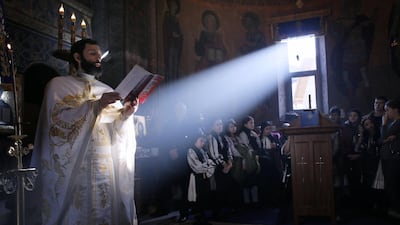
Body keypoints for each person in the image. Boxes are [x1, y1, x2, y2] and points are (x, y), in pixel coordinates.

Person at [28, 39, 139, 225]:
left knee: (105, 211)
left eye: (99, 54)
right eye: (93, 53)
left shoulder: (107, 90)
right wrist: (96, 106)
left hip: (104, 166)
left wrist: (126, 115)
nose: (98, 58)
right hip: (73, 166)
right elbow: (56, 124)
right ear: (78, 57)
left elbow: (115, 128)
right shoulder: (58, 86)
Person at [187, 128, 216, 225]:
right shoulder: (191, 151)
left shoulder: (202, 151)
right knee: (198, 198)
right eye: (201, 141)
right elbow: (197, 166)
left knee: (204, 197)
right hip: (196, 179)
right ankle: (199, 217)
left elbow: (210, 162)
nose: (203, 143)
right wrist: (208, 166)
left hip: (204, 177)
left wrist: (208, 166)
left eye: (203, 141)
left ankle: (203, 217)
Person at [380, 99, 400, 219]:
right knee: (390, 185)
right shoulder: (392, 123)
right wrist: (386, 139)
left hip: (394, 158)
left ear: (396, 110)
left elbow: (384, 136)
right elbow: (382, 140)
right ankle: (394, 210)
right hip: (388, 158)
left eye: (388, 110)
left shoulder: (397, 123)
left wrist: (383, 124)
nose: (386, 113)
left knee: (394, 185)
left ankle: (396, 211)